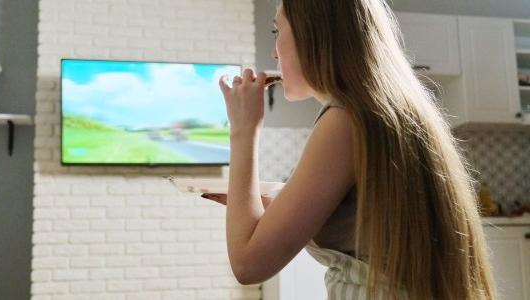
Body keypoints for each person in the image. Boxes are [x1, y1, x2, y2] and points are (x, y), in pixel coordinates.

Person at [201, 0, 496, 299]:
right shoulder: (382, 109)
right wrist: (269, 203)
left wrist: (242, 128)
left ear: (314, 33)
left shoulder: (344, 120)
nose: (274, 52)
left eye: (277, 30)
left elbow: (248, 265)